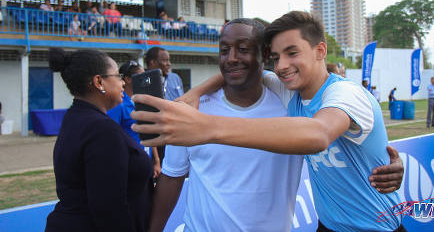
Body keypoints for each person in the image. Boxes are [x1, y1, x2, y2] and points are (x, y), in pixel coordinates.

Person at [133, 12, 406, 232]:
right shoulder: (289, 92)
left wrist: (206, 127)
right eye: (277, 57)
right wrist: (195, 94)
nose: (282, 65)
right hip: (328, 226)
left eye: (292, 53)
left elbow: (318, 134)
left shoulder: (336, 93)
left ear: (320, 50)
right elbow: (237, 70)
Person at [45, 48, 153, 232]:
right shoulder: (102, 131)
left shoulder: (75, 117)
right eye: (118, 76)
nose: (122, 83)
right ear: (99, 82)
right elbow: (110, 210)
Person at [144, 46, 184, 169]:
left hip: (176, 131)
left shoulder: (175, 78)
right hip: (156, 133)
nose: (169, 64)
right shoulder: (144, 80)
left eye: (169, 60)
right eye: (165, 60)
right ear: (153, 62)